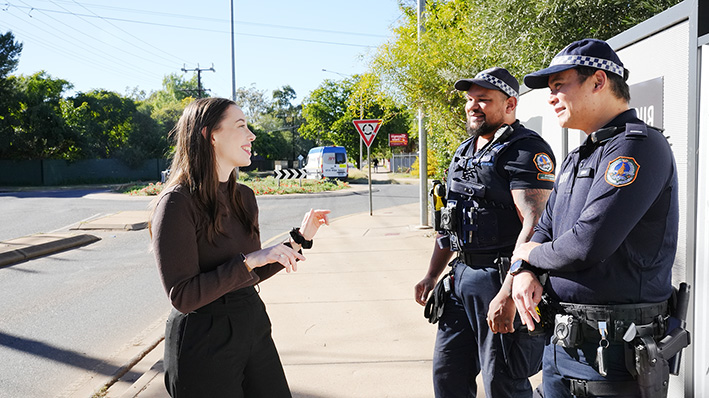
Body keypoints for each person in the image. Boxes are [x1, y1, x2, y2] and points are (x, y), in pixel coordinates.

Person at [511, 39, 680, 397]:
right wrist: (526, 270)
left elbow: (587, 244)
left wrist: (526, 255)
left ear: (598, 81)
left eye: (560, 86)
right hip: (563, 345)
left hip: (613, 356)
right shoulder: (579, 155)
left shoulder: (637, 146)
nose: (551, 97)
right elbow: (545, 226)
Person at [150, 97, 331, 398]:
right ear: (211, 135)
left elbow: (251, 272)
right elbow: (182, 296)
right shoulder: (177, 203)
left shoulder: (243, 197)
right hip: (203, 336)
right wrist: (248, 261)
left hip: (251, 322)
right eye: (241, 126)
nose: (252, 135)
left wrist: (299, 239)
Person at [414, 67, 555, 398]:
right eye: (470, 99)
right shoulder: (465, 151)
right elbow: (449, 221)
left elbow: (535, 225)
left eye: (484, 100)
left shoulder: (526, 151)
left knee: (502, 383)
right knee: (448, 375)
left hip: (500, 276)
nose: (473, 106)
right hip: (459, 278)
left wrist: (507, 293)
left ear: (510, 105)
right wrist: (432, 275)